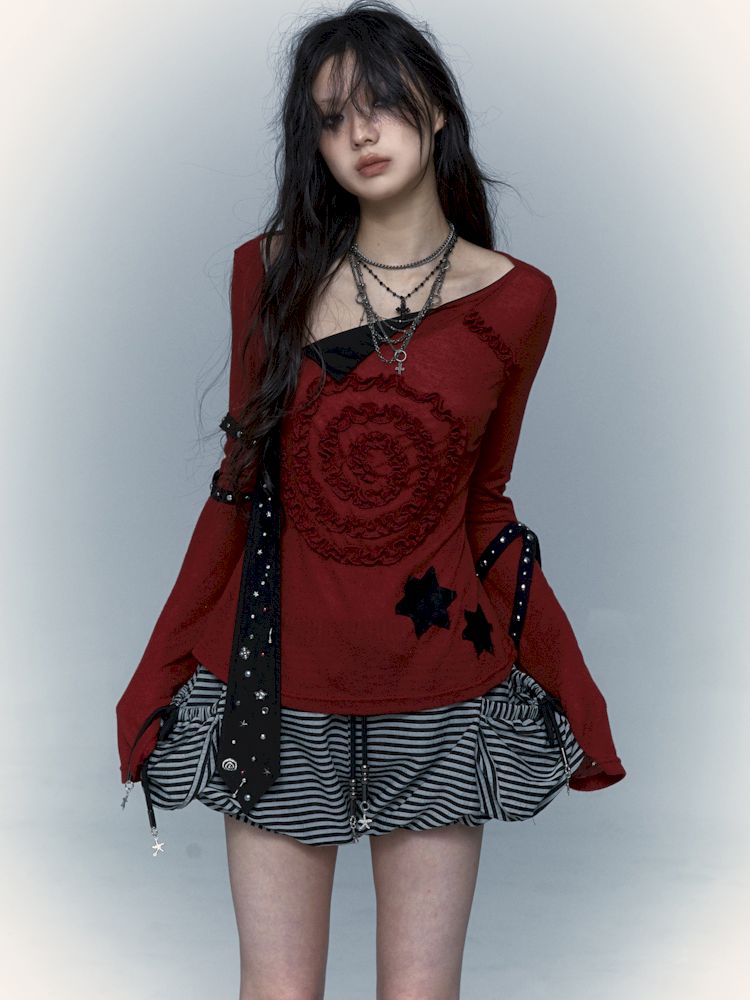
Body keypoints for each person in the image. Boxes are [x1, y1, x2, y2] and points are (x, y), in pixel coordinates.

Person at [116, 2, 626, 997]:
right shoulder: (268, 272)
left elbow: (486, 508)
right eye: (330, 116)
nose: (359, 133)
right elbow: (238, 488)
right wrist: (158, 671)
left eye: (381, 103)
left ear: (435, 110)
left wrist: (572, 680)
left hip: (440, 691)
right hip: (274, 690)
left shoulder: (520, 299)